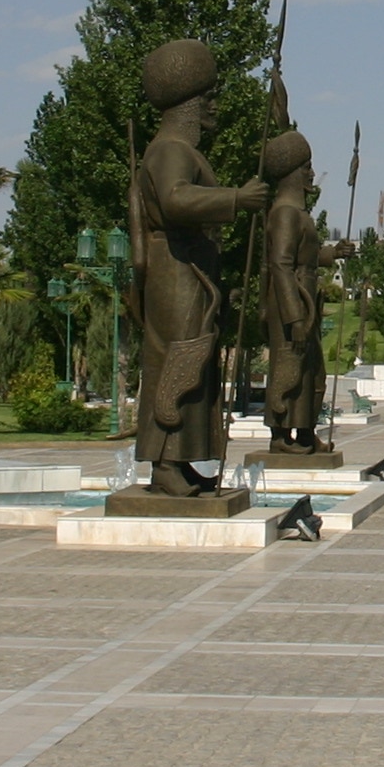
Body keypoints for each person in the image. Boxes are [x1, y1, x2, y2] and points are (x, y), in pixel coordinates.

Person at [127, 40, 266, 496]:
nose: (214, 105)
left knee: (193, 360)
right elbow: (175, 200)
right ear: (189, 102)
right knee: (178, 359)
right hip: (175, 268)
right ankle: (164, 464)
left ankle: (182, 460)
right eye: (208, 96)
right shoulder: (170, 149)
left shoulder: (179, 150)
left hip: (189, 268)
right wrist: (236, 198)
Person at [258, 128, 353, 456]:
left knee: (312, 371)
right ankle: (280, 435)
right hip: (292, 302)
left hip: (305, 299)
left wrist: (332, 253)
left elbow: (305, 258)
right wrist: (294, 316)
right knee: (290, 367)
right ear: (290, 173)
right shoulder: (285, 213)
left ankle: (306, 433)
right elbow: (281, 265)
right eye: (306, 167)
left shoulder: (298, 213)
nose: (311, 173)